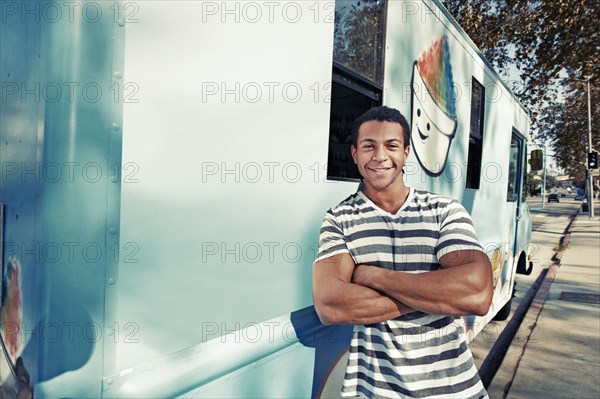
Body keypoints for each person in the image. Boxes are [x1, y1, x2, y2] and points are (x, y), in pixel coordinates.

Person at [312, 106, 493, 399]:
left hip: (455, 390)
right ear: (355, 154)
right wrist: (438, 293)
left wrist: (373, 275)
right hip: (373, 391)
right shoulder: (338, 219)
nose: (380, 156)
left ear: (406, 152)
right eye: (369, 146)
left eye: (392, 146)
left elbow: (477, 293)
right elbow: (331, 305)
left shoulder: (444, 210)